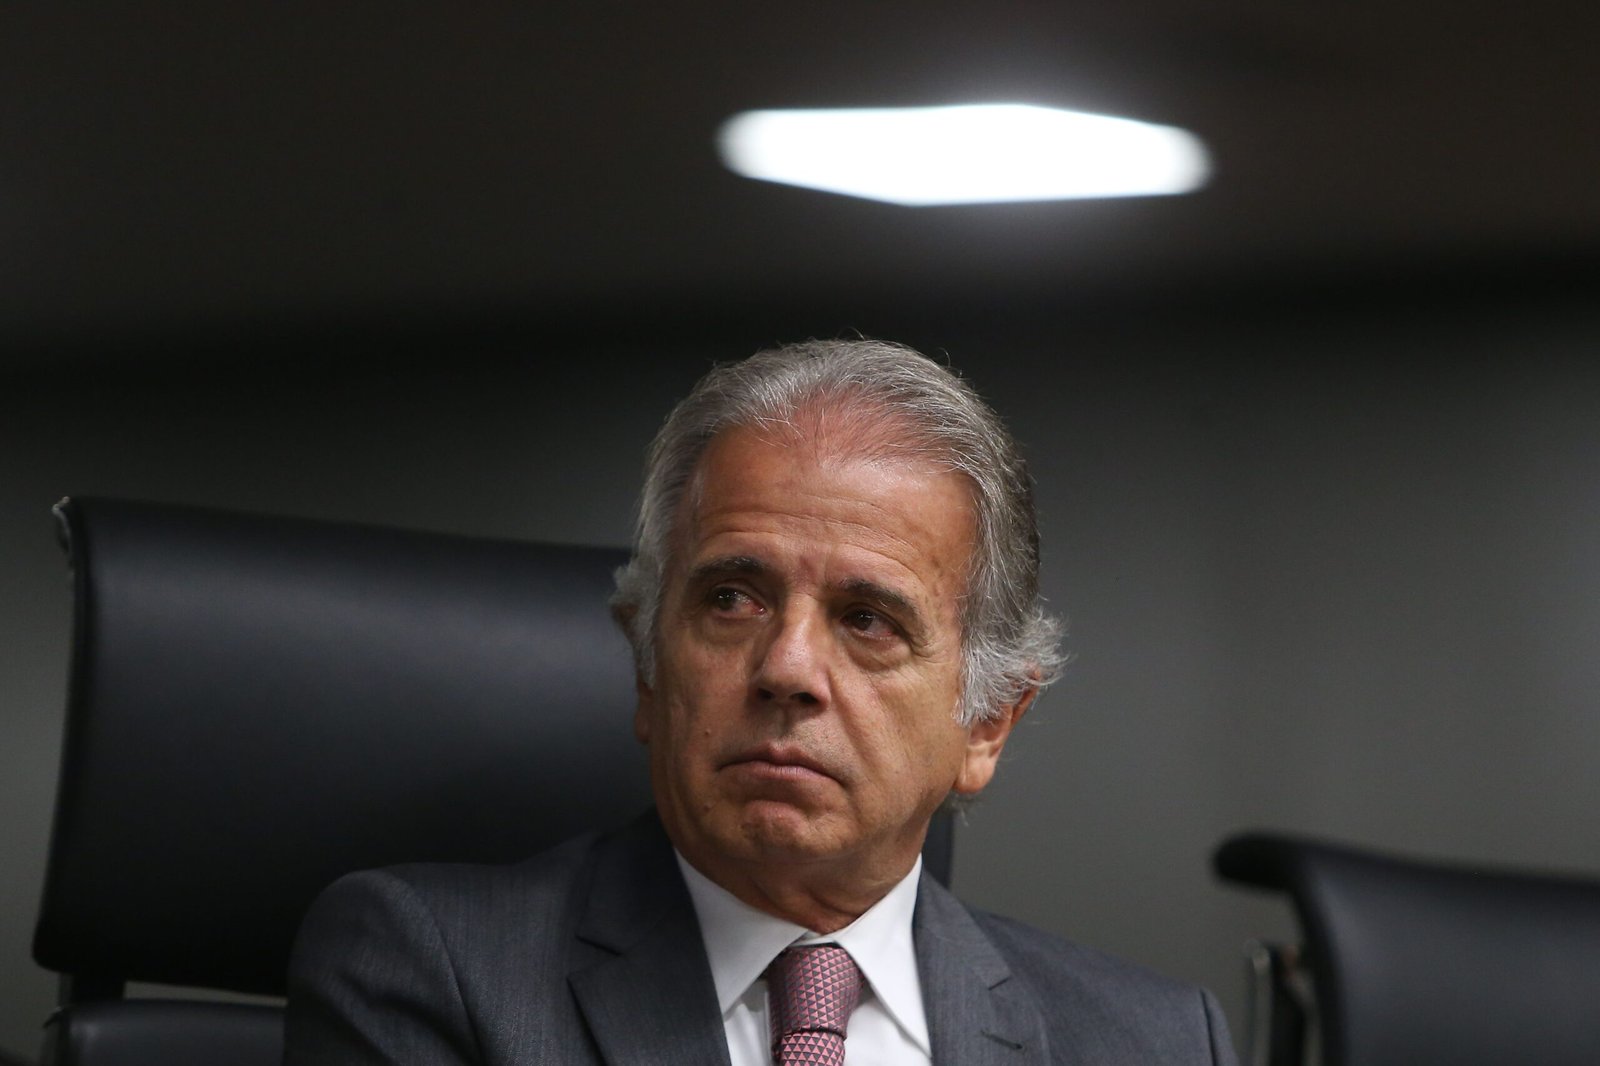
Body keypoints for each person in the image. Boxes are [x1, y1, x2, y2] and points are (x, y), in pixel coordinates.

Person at [284, 339, 1238, 1065]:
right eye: (732, 599)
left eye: (867, 620)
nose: (787, 667)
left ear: (986, 724)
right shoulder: (432, 970)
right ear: (647, 667)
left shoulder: (1151, 1043)